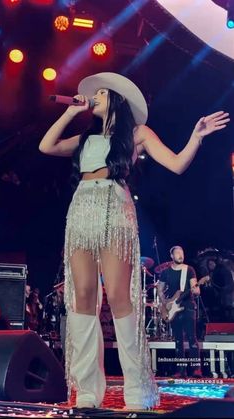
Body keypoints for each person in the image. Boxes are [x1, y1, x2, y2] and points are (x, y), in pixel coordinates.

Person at [39, 72, 229, 409]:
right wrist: (70, 111)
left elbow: (176, 163)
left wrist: (196, 137)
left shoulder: (137, 133)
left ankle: (138, 389)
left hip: (115, 206)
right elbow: (46, 145)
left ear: (116, 99)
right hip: (82, 208)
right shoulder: (86, 137)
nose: (93, 97)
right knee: (82, 297)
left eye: (100, 92)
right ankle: (86, 391)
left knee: (117, 295)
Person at [157, 246, 202, 378]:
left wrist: (196, 290)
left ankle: (196, 369)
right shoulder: (166, 272)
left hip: (188, 307)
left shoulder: (189, 270)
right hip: (173, 309)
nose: (180, 254)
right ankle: (180, 370)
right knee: (178, 341)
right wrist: (165, 302)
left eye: (182, 252)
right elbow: (160, 289)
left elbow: (195, 287)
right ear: (172, 256)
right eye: (177, 253)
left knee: (192, 338)